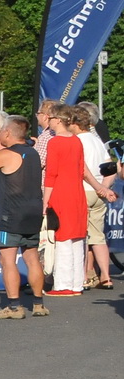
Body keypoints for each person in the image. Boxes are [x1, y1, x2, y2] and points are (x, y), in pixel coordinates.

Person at [0, 115, 47, 318]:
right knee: (32, 258)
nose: (0, 134)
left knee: (7, 259)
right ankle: (38, 304)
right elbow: (9, 173)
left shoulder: (7, 154)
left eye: (2, 131)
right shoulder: (33, 153)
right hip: (33, 212)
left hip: (11, 215)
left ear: (8, 133)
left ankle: (14, 306)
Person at [44, 105, 110, 296]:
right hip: (78, 192)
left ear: (57, 120)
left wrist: (45, 202)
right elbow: (82, 170)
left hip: (61, 193)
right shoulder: (76, 141)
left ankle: (63, 285)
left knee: (63, 238)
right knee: (77, 238)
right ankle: (75, 284)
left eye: (50, 118)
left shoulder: (55, 143)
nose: (49, 122)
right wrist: (100, 187)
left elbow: (51, 174)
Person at [72, 103, 116, 289]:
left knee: (81, 236)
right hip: (99, 193)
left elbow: (82, 170)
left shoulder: (77, 141)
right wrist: (104, 188)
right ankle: (106, 276)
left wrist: (98, 187)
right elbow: (110, 167)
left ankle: (83, 277)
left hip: (83, 190)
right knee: (98, 237)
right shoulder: (96, 140)